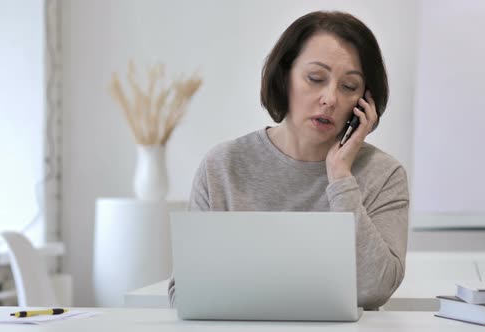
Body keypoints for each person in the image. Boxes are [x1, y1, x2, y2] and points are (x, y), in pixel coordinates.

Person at [169, 10, 409, 310]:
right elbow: (186, 293)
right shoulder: (223, 166)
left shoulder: (384, 175)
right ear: (285, 78)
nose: (330, 98)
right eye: (315, 78)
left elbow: (375, 290)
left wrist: (341, 178)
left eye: (349, 87)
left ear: (365, 101)